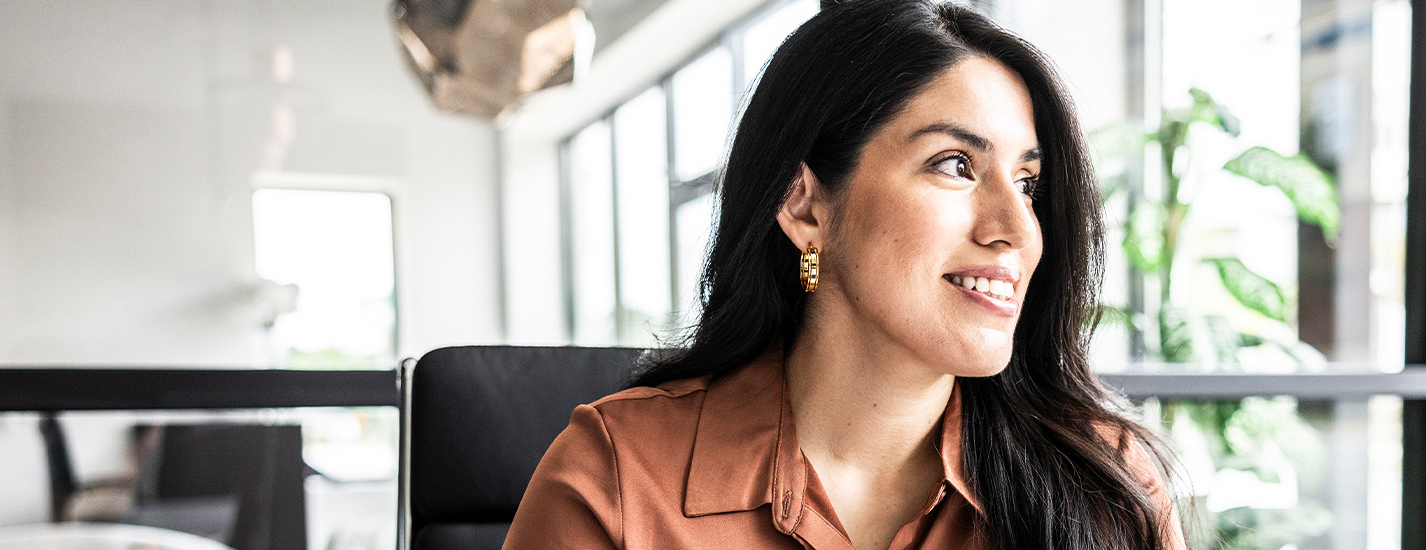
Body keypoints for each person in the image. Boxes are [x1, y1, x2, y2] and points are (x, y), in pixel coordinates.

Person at [503, 1, 1183, 548]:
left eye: (1028, 181)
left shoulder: (1111, 487)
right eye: (955, 164)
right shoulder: (618, 481)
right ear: (804, 205)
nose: (1017, 226)